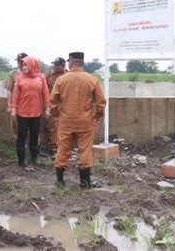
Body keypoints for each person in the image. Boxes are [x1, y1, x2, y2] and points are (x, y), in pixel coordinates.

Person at [50, 52, 106, 188]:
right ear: (81, 62)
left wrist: (57, 116)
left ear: (71, 62)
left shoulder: (61, 80)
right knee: (85, 150)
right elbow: (101, 102)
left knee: (62, 149)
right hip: (85, 122)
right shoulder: (92, 80)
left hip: (65, 121)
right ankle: (85, 182)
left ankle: (60, 181)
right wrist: (96, 117)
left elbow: (52, 102)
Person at [11, 56, 50, 166]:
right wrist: (13, 108)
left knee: (34, 134)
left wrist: (47, 107)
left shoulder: (41, 78)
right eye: (22, 65)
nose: (24, 67)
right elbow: (16, 95)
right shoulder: (20, 78)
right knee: (22, 135)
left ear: (32, 65)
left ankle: (34, 157)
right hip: (22, 112)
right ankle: (21, 160)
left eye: (26, 65)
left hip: (36, 112)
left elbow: (45, 93)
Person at [43, 57, 67, 154]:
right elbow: (43, 88)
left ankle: (64, 148)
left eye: (58, 65)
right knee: (52, 126)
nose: (55, 67)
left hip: (65, 105)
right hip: (52, 104)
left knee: (65, 127)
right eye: (54, 65)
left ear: (63, 66)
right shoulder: (48, 75)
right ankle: (53, 148)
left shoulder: (68, 75)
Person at [4, 52, 28, 142]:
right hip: (16, 104)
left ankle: (29, 143)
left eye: (21, 61)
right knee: (15, 124)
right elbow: (9, 90)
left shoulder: (32, 73)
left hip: (28, 103)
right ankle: (18, 142)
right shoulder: (13, 74)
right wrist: (9, 106)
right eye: (18, 61)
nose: (19, 63)